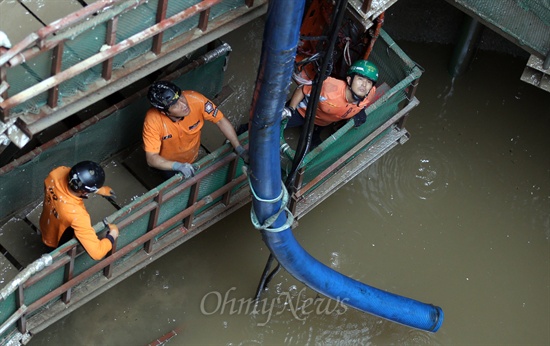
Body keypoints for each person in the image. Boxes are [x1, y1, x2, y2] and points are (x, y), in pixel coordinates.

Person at [143, 81, 248, 179]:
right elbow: (152, 158)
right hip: (169, 164)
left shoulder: (196, 100)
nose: (184, 104)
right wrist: (177, 166)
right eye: (175, 105)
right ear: (164, 112)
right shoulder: (153, 121)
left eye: (181, 97)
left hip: (192, 155)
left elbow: (221, 121)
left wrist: (238, 147)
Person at [284, 60, 379, 146]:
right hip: (301, 112)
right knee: (274, 126)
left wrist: (359, 110)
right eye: (360, 79)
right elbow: (302, 88)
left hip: (324, 121)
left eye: (369, 82)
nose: (364, 85)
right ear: (349, 80)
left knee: (315, 132)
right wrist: (291, 109)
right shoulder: (329, 88)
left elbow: (364, 99)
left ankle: (313, 135)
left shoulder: (370, 92)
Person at [39, 161, 119, 260]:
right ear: (85, 191)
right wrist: (112, 235)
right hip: (55, 242)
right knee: (55, 256)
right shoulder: (78, 216)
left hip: (45, 222)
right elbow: (97, 253)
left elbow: (75, 180)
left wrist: (99, 190)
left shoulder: (56, 173)